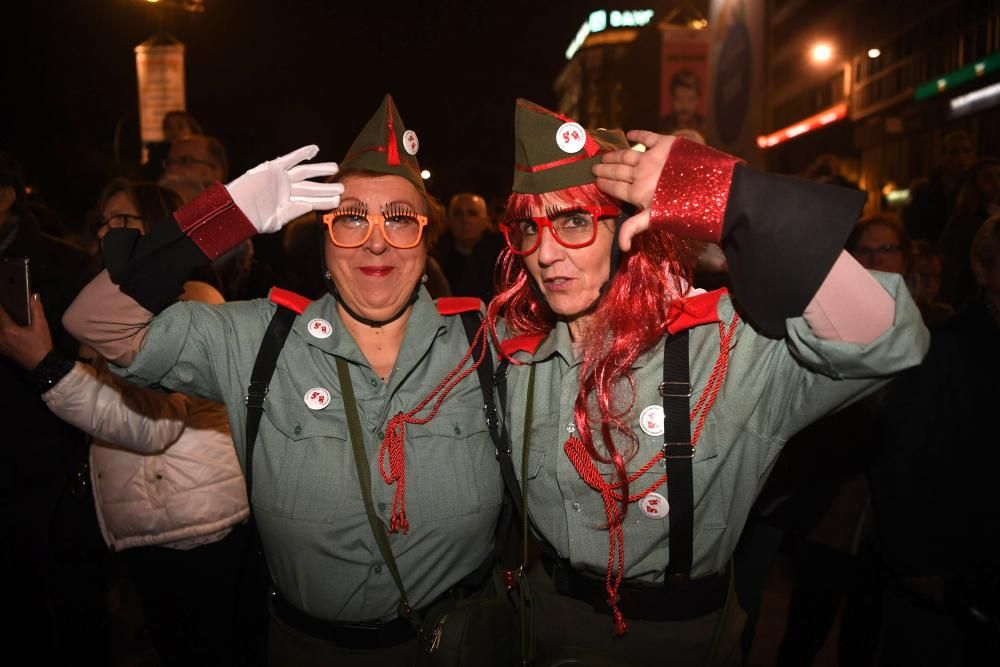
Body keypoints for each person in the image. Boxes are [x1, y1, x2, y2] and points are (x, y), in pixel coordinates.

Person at [61, 95, 508, 666]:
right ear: (322, 240)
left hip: (458, 649)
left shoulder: (488, 346)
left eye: (399, 217)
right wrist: (224, 218)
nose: (375, 240)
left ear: (427, 238)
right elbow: (95, 321)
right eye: (351, 217)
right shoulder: (257, 340)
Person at [486, 99, 928, 666]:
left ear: (627, 224)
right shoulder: (508, 353)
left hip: (681, 644)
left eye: (574, 222)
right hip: (542, 632)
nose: (546, 254)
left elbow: (890, 340)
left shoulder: (725, 344)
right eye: (529, 228)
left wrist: (738, 201)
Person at [0, 178, 257, 666]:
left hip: (194, 527)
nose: (106, 234)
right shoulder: (116, 307)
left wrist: (44, 366)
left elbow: (152, 427)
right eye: (102, 223)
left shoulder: (188, 300)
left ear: (161, 229)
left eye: (124, 221)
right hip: (158, 523)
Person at [873, 214, 1000, 665]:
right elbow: (901, 456)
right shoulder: (943, 348)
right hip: (948, 568)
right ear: (982, 269)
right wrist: (917, 562)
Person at [0, 149, 107, 664]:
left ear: (5, 199)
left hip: (52, 478)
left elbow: (99, 375)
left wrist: (38, 358)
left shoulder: (63, 266)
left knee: (69, 622)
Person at [939, 156, 1000, 307]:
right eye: (987, 178)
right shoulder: (964, 221)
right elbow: (953, 263)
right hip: (974, 295)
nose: (996, 183)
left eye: (999, 176)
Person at [904, 130, 976, 243]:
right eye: (953, 152)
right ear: (943, 157)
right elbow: (914, 233)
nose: (961, 157)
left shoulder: (977, 191)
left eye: (966, 151)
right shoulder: (924, 192)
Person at [432, 192, 504, 303]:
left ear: (486, 220)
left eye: (472, 213)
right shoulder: (434, 259)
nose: (464, 220)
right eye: (458, 213)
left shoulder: (502, 259)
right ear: (449, 220)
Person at [660, 68, 705, 135]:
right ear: (672, 99)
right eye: (679, 99)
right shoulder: (662, 125)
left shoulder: (705, 125)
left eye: (691, 99)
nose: (685, 105)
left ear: (698, 99)